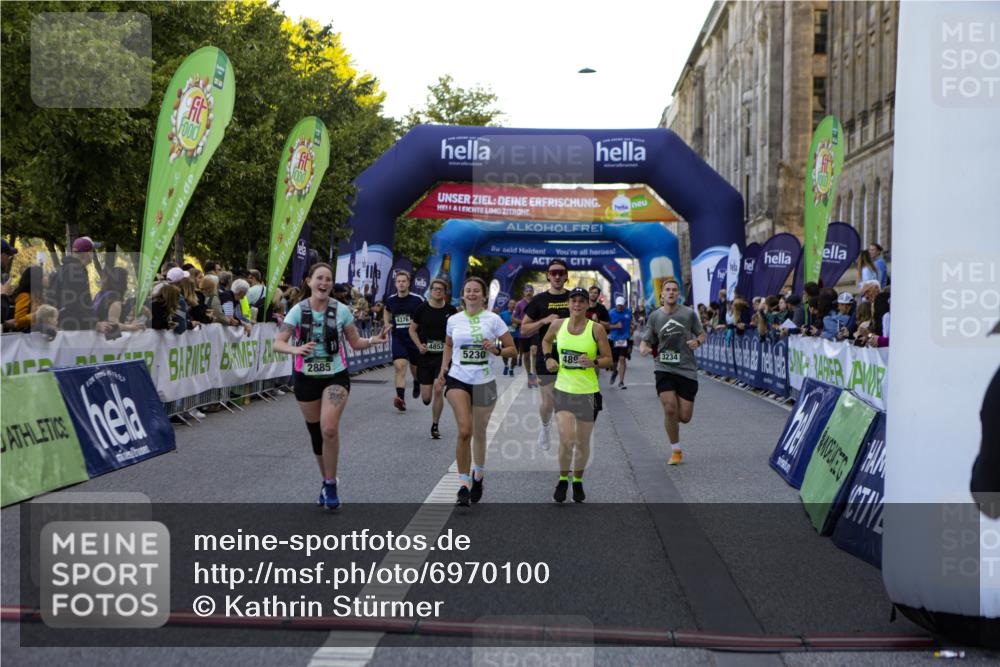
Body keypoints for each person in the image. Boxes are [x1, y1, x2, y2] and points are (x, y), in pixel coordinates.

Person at [272, 263, 387, 509]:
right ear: (309, 281)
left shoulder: (341, 310)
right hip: (305, 377)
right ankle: (325, 480)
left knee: (330, 429)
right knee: (316, 434)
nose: (324, 283)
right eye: (319, 278)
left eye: (328, 279)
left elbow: (354, 342)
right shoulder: (298, 310)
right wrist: (295, 349)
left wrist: (373, 340)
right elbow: (278, 343)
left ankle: (332, 484)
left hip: (335, 375)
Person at [436, 276, 516, 506]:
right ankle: (463, 484)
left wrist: (496, 349)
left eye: (476, 291)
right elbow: (449, 345)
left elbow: (512, 350)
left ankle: (478, 475)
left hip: (485, 382)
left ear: (483, 296)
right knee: (464, 430)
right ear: (463, 295)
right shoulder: (453, 320)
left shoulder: (494, 320)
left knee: (479, 433)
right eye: (468, 290)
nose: (471, 294)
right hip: (458, 379)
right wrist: (443, 368)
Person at [542, 287, 613, 502]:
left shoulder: (596, 329)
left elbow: (608, 359)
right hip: (564, 390)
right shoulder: (557, 325)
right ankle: (563, 479)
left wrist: (594, 362)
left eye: (582, 301)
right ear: (568, 303)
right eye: (574, 301)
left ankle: (578, 481)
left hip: (588, 392)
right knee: (567, 440)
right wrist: (548, 358)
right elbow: (546, 341)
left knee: (582, 443)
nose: (577, 304)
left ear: (587, 305)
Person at [640, 278, 705, 466]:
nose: (671, 292)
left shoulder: (688, 314)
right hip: (664, 367)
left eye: (674, 290)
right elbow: (646, 339)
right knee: (670, 409)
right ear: (661, 294)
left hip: (686, 369)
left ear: (678, 294)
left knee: (684, 417)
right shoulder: (655, 316)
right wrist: (644, 348)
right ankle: (675, 450)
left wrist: (697, 342)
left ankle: (672, 421)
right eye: (667, 289)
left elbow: (702, 334)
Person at [519, 259, 571, 450]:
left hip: (571, 355)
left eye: (560, 272)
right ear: (548, 276)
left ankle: (567, 438)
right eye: (553, 272)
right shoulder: (539, 300)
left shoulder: (574, 298)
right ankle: (545, 427)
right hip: (546, 354)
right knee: (548, 403)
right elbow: (524, 329)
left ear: (566, 276)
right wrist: (543, 321)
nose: (557, 276)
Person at [409, 277, 457, 440]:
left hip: (442, 357)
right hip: (425, 357)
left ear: (445, 292)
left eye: (440, 289)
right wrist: (419, 345)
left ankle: (435, 425)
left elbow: (456, 332)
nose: (437, 291)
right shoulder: (421, 309)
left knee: (438, 389)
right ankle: (418, 382)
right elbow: (412, 330)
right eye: (435, 289)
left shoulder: (451, 311)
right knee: (426, 398)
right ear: (430, 291)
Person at [383, 272, 424, 409]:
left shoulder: (417, 299)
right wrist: (386, 323)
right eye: (399, 281)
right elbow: (386, 310)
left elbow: (425, 313)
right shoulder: (391, 300)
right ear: (395, 284)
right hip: (398, 338)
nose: (401, 283)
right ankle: (401, 399)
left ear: (408, 283)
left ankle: (417, 381)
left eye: (403, 281)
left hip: (414, 339)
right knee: (400, 367)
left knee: (415, 368)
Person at [49, 236, 96, 330]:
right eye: (93, 251)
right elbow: (74, 302)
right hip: (74, 328)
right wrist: (93, 323)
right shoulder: (76, 270)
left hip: (62, 325)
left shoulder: (63, 269)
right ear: (88, 253)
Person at [511, 284, 538, 387]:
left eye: (530, 291)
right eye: (526, 291)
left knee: (534, 351)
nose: (528, 293)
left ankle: (534, 374)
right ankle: (529, 376)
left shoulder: (536, 302)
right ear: (524, 293)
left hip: (535, 331)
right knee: (526, 356)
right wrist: (523, 323)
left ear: (533, 292)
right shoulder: (519, 304)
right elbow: (513, 318)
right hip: (524, 333)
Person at [4, 266, 41, 332]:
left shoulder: (38, 295)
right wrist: (38, 314)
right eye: (44, 276)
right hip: (25, 336)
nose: (48, 278)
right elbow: (19, 320)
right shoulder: (24, 296)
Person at [608, 296, 633, 389]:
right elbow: (606, 326)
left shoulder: (628, 312)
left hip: (624, 339)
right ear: (616, 305)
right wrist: (615, 326)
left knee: (622, 359)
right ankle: (615, 371)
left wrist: (632, 327)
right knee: (614, 362)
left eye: (621, 305)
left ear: (624, 305)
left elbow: (631, 321)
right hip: (614, 339)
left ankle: (621, 382)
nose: (620, 307)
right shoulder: (611, 313)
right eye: (618, 305)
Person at [497, 302, 516, 375]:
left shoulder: (517, 313)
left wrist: (517, 323)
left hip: (515, 335)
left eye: (514, 304)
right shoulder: (503, 313)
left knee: (515, 354)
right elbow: (499, 324)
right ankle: (506, 365)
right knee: (504, 352)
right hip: (504, 336)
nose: (512, 305)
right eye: (511, 304)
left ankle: (511, 368)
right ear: (508, 305)